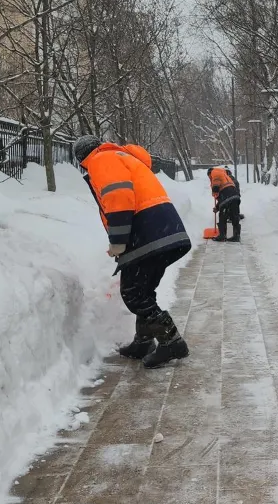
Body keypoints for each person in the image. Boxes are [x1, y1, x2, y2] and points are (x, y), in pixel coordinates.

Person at [73, 135, 192, 368]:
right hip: (163, 229)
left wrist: (118, 241)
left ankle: (171, 341)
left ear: (81, 157)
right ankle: (143, 341)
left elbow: (118, 197)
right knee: (143, 289)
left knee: (133, 293)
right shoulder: (120, 157)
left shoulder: (101, 159)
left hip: (146, 231)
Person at [207, 166, 242, 242]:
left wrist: (215, 190)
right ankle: (236, 236)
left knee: (223, 216)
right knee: (234, 216)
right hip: (235, 196)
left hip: (227, 196)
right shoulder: (225, 176)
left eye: (209, 176)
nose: (210, 178)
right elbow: (222, 199)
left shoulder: (214, 172)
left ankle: (222, 235)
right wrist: (217, 207)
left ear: (209, 173)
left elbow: (216, 182)